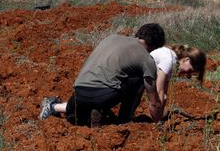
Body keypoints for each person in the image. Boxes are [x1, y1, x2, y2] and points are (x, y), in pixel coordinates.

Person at [41, 42, 206, 121]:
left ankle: (57, 106)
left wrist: (162, 110)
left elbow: (163, 94)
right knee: (139, 84)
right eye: (190, 70)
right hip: (121, 83)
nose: (187, 74)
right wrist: (158, 121)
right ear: (186, 59)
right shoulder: (168, 60)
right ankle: (123, 118)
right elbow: (158, 92)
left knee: (89, 103)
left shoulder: (168, 55)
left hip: (114, 82)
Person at [38, 23, 166, 126]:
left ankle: (53, 106)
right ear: (155, 46)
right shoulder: (146, 59)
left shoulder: (111, 38)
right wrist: (157, 121)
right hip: (103, 97)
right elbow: (153, 102)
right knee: (138, 78)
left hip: (79, 92)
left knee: (86, 101)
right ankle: (124, 119)